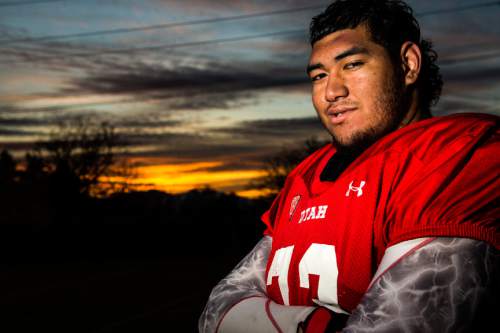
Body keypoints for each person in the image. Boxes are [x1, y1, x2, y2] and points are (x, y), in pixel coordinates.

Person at [199, 0, 499, 331]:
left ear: (408, 64)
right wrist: (310, 323)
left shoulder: (461, 153)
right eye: (319, 75)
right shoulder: (307, 174)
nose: (332, 90)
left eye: (353, 64)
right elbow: (217, 309)